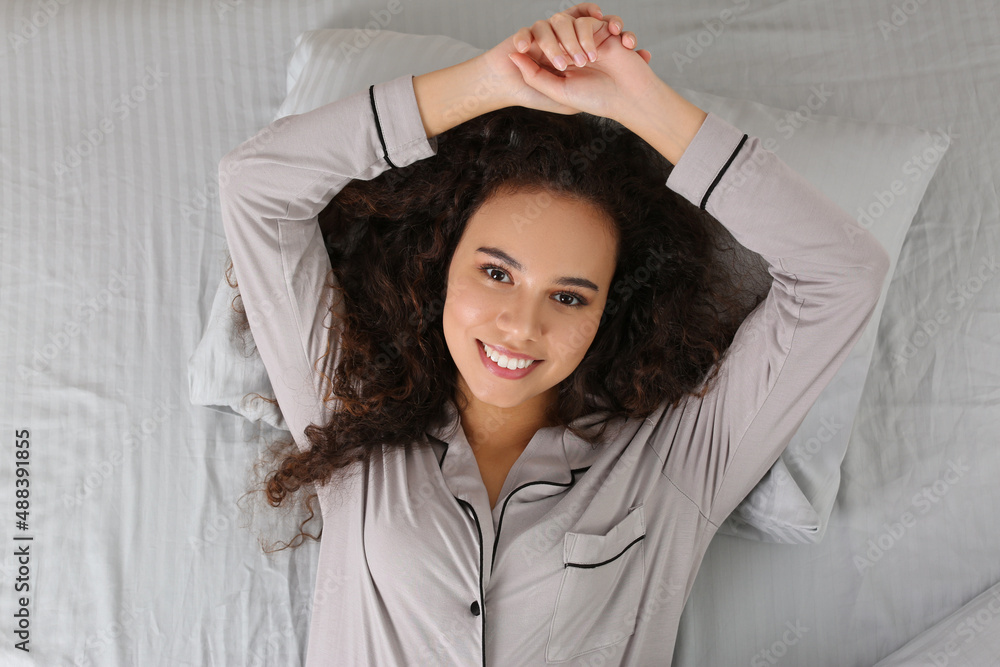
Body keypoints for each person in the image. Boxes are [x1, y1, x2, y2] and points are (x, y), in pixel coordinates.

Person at [217, 3, 890, 665]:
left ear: (610, 309)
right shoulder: (351, 415)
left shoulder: (675, 462)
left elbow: (843, 275)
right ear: (440, 264)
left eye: (568, 296)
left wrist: (643, 106)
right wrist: (491, 82)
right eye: (496, 273)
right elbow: (257, 187)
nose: (522, 325)